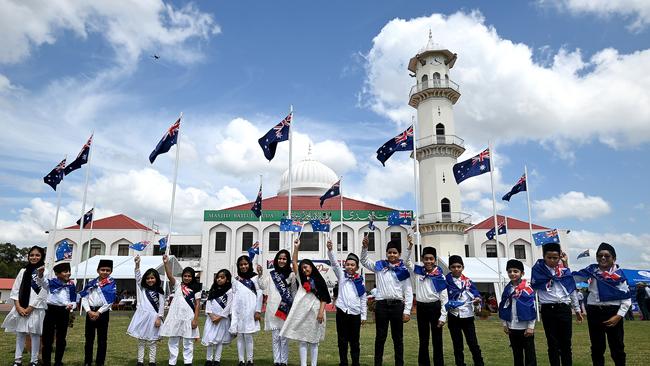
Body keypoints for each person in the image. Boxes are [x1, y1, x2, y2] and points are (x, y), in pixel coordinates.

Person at [573, 242, 631, 366]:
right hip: (594, 312)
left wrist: (619, 316)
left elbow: (626, 298)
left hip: (613, 313)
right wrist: (565, 263)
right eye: (600, 255)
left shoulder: (619, 275)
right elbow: (574, 279)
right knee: (597, 347)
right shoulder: (591, 271)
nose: (603, 258)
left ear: (614, 258)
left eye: (607, 256)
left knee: (617, 347)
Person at [360, 235, 413, 366]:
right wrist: (365, 247)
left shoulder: (403, 270)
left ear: (399, 254)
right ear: (386, 253)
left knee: (398, 338)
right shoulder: (379, 266)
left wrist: (407, 311)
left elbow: (408, 291)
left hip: (397, 306)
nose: (392, 255)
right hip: (382, 306)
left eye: (395, 252)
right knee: (380, 338)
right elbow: (364, 260)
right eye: (389, 252)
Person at [280, 239, 331, 366]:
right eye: (302, 268)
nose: (303, 270)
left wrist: (320, 313)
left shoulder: (319, 280)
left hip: (315, 313)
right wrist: (296, 248)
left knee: (314, 341)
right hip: (302, 312)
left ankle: (313, 364)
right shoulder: (301, 279)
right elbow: (294, 262)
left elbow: (324, 297)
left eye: (306, 267)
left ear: (311, 267)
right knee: (302, 340)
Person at [530, 243, 582, 366]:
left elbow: (571, 289)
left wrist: (577, 309)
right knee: (552, 343)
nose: (552, 260)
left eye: (555, 257)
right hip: (548, 309)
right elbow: (533, 291)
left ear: (560, 257)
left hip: (564, 308)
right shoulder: (538, 271)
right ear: (544, 257)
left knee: (566, 344)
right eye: (549, 257)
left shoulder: (564, 271)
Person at [403, 238, 447, 366]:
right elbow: (407, 262)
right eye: (426, 258)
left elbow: (444, 298)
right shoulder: (418, 271)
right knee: (423, 340)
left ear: (435, 260)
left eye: (431, 259)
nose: (428, 261)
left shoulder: (439, 275)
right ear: (422, 259)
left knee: (437, 340)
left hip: (435, 308)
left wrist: (443, 316)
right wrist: (410, 247)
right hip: (421, 308)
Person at [1, 246, 47, 366]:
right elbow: (15, 289)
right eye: (31, 255)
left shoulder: (44, 271)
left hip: (36, 309)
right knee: (20, 333)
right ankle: (18, 360)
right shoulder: (23, 271)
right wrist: (18, 306)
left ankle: (34, 360)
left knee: (35, 334)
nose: (34, 257)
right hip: (21, 307)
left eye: (37, 255)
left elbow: (43, 292)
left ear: (42, 257)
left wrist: (31, 307)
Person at [327, 239, 367, 366]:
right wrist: (330, 250)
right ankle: (343, 362)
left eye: (352, 265)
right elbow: (334, 263)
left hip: (355, 314)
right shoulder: (342, 276)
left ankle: (356, 363)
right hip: (342, 312)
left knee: (355, 341)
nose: (349, 266)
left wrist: (364, 315)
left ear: (357, 267)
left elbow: (363, 298)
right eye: (347, 264)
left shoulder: (360, 281)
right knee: (342, 340)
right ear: (345, 265)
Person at [257, 248, 296, 366]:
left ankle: (284, 361)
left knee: (284, 338)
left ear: (287, 260)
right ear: (276, 260)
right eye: (280, 258)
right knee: (275, 338)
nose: (282, 260)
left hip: (285, 309)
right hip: (273, 309)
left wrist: (293, 308)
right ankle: (276, 361)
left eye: (284, 259)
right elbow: (262, 286)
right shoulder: (271, 274)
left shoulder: (292, 275)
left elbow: (293, 292)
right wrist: (259, 274)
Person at [160, 255, 201, 366]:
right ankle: (172, 362)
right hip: (176, 318)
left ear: (192, 277)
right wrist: (165, 263)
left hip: (189, 318)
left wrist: (195, 320)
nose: (187, 278)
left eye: (189, 276)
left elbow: (197, 305)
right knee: (173, 341)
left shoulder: (196, 288)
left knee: (188, 342)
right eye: (185, 276)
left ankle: (188, 362)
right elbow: (169, 276)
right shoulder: (178, 285)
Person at [445, 255, 484, 366]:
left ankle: (479, 363)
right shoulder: (446, 281)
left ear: (463, 267)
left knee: (473, 343)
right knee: (457, 344)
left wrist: (477, 302)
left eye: (459, 266)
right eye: (453, 267)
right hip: (454, 316)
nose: (456, 269)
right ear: (449, 267)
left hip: (468, 316)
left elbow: (477, 296)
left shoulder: (468, 282)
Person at [127, 255, 165, 366]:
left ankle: (152, 361)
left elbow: (162, 305)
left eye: (152, 278)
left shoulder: (160, 291)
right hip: (142, 317)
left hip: (154, 318)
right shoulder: (143, 288)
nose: (150, 280)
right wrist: (137, 264)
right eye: (148, 278)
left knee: (152, 341)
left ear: (156, 279)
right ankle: (140, 361)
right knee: (141, 340)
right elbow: (137, 277)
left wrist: (159, 317)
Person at [498, 259, 537, 366]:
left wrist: (531, 326)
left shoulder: (527, 288)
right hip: (512, 326)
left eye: (516, 271)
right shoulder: (507, 289)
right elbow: (503, 306)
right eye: (509, 271)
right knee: (517, 354)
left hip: (525, 327)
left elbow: (532, 307)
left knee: (530, 355)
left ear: (522, 273)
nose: (512, 274)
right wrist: (505, 324)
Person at [79, 258, 116, 366]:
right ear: (98, 270)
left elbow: (110, 300)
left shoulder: (111, 283)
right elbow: (84, 297)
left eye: (107, 270)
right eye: (102, 270)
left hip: (103, 313)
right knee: (89, 339)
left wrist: (98, 312)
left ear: (111, 271)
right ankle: (87, 361)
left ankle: (100, 362)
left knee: (102, 339)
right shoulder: (91, 283)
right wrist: (89, 311)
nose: (105, 272)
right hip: (90, 312)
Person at [229, 253, 263, 366]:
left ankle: (250, 360)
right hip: (239, 312)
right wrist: (232, 313)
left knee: (248, 336)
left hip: (251, 311)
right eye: (241, 265)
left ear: (250, 264)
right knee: (240, 336)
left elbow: (260, 294)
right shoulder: (235, 280)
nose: (243, 266)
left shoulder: (255, 277)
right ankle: (241, 360)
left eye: (245, 264)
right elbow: (233, 297)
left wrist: (258, 310)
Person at [41, 260, 76, 366]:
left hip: (64, 312)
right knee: (48, 338)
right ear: (57, 274)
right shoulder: (51, 283)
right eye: (65, 271)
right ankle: (46, 362)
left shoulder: (71, 284)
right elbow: (41, 281)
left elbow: (74, 299)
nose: (68, 273)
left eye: (68, 271)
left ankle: (58, 362)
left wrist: (72, 306)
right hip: (51, 311)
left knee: (61, 338)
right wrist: (40, 274)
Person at [202, 269, 234, 366]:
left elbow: (229, 305)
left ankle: (217, 360)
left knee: (219, 340)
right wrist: (211, 315)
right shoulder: (213, 289)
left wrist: (219, 317)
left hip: (222, 320)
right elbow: (209, 302)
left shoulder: (230, 291)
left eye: (222, 277)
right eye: (218, 277)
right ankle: (208, 359)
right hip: (211, 319)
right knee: (210, 339)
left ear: (227, 279)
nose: (219, 279)